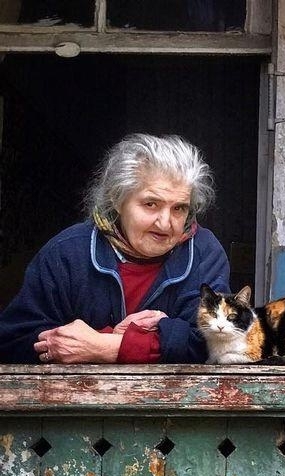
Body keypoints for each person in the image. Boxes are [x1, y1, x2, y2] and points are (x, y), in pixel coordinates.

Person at [0, 133, 230, 364]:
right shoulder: (68, 252)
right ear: (117, 200)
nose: (165, 222)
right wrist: (109, 340)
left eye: (179, 208)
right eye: (151, 204)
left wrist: (107, 346)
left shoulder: (203, 251)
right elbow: (13, 341)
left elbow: (216, 341)